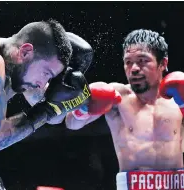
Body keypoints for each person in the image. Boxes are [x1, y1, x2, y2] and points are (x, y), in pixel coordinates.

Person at [0, 19, 93, 190]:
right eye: (46, 73)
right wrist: (49, 109)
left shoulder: (19, 67)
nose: (42, 83)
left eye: (49, 78)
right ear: (25, 52)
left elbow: (54, 118)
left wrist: (70, 99)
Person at [66, 29, 184, 190]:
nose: (134, 68)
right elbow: (71, 123)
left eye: (143, 61)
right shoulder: (117, 97)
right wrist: (84, 110)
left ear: (163, 63)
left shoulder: (178, 99)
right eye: (128, 62)